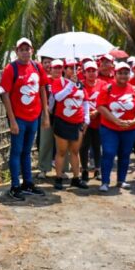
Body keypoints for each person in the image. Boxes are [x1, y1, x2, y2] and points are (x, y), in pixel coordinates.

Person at [0, 38, 49, 200]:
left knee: (27, 152)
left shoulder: (37, 67)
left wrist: (45, 115)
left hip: (33, 116)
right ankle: (15, 185)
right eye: (22, 49)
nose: (25, 52)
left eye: (27, 49)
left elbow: (42, 89)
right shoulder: (10, 69)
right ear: (16, 51)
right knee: (16, 151)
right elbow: (4, 94)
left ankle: (28, 183)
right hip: (18, 118)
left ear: (32, 51)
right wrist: (12, 120)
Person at [96, 62, 135, 191]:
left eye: (126, 73)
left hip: (130, 129)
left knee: (125, 154)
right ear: (115, 74)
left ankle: (121, 180)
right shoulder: (107, 89)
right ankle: (105, 182)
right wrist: (115, 121)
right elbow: (100, 106)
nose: (123, 76)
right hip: (109, 128)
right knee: (108, 153)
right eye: (120, 73)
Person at [50, 59, 89, 190]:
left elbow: (85, 101)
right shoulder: (58, 82)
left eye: (76, 68)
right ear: (64, 69)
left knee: (75, 151)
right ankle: (59, 178)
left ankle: (76, 178)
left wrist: (86, 118)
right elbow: (58, 98)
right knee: (61, 151)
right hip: (62, 121)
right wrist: (70, 85)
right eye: (70, 68)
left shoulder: (80, 84)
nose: (73, 70)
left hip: (77, 122)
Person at [79, 61, 105, 181]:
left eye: (93, 70)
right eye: (88, 71)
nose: (91, 73)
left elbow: (106, 102)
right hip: (84, 121)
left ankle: (97, 169)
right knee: (84, 146)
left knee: (97, 146)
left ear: (97, 71)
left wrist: (97, 112)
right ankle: (84, 169)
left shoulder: (103, 84)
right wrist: (86, 114)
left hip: (99, 121)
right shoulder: (80, 85)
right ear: (84, 73)